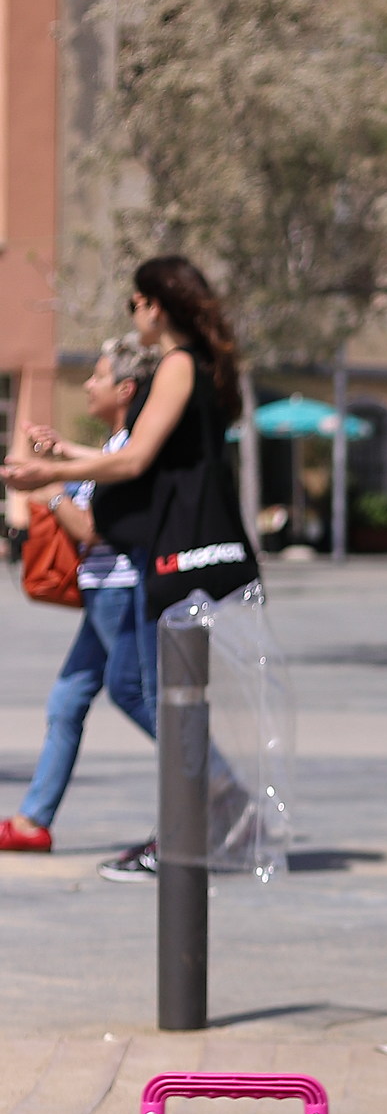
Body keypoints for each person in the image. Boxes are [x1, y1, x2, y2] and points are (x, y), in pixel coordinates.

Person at [2, 254, 256, 881]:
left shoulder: (176, 364)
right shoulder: (197, 367)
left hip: (165, 562)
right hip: (177, 556)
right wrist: (66, 457)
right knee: (109, 696)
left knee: (149, 694)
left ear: (156, 304)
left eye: (135, 303)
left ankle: (207, 813)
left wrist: (52, 477)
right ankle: (193, 821)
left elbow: (136, 460)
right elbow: (145, 459)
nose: (133, 314)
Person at [0, 336, 158, 853]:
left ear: (125, 389)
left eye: (98, 376)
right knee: (66, 702)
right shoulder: (114, 449)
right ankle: (33, 822)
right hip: (102, 593)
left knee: (136, 695)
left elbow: (93, 530)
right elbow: (97, 470)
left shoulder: (130, 452)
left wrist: (49, 488)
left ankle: (218, 788)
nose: (88, 384)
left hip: (120, 591)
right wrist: (62, 456)